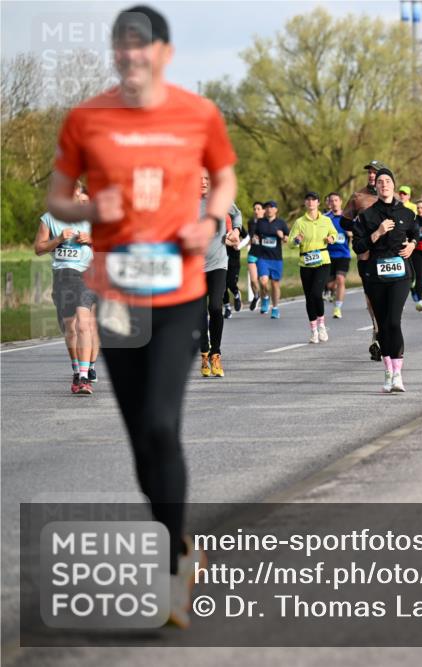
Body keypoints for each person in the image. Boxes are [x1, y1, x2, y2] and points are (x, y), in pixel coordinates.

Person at [46, 4, 237, 628]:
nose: (130, 56)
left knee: (160, 421)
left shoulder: (197, 114)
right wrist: (86, 210)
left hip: (178, 291)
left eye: (141, 46)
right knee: (140, 439)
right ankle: (179, 542)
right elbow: (57, 197)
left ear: (164, 54)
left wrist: (210, 220)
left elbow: (224, 179)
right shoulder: (86, 118)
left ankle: (171, 569)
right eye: (121, 47)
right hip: (117, 295)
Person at [352, 168, 417, 392]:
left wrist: (412, 245)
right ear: (376, 187)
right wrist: (377, 233)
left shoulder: (406, 212)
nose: (384, 185)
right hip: (376, 276)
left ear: (393, 185)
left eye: (388, 181)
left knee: (394, 322)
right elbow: (358, 246)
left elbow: (416, 233)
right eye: (380, 182)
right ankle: (388, 371)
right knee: (382, 325)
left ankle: (398, 374)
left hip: (400, 274)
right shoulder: (367, 215)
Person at [35, 184, 99, 394]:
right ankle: (77, 370)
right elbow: (39, 248)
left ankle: (84, 377)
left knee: (84, 324)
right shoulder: (48, 219)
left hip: (86, 276)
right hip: (62, 277)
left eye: (75, 192)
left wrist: (91, 240)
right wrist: (59, 239)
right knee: (70, 328)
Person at [198, 170, 242, 378]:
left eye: (206, 178)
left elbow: (236, 214)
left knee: (215, 307)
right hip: (194, 266)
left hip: (218, 263)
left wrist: (236, 231)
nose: (203, 182)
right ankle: (204, 353)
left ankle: (216, 354)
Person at [343, 160, 388, 361]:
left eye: (375, 172)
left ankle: (386, 331)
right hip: (366, 254)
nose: (371, 175)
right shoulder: (358, 197)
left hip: (388, 255)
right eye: (369, 172)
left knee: (388, 296)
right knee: (371, 297)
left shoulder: (392, 196)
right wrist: (360, 230)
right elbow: (344, 221)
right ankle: (378, 333)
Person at [289, 191, 336, 343]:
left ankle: (321, 325)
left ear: (318, 203)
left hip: (323, 261)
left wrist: (331, 238)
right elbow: (290, 243)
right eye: (308, 200)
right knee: (309, 297)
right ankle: (314, 331)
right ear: (305, 203)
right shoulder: (299, 222)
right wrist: (297, 240)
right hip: (306, 263)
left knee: (316, 293)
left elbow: (334, 234)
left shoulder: (326, 220)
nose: (310, 202)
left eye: (313, 200)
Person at [254, 200, 288, 318]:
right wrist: (255, 238)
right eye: (267, 207)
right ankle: (265, 297)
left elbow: (287, 239)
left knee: (275, 284)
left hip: (276, 259)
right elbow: (255, 235)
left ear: (276, 209)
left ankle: (275, 308)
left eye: (271, 207)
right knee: (263, 281)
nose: (269, 209)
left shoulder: (281, 223)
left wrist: (282, 236)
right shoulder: (260, 222)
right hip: (263, 257)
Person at [322, 192, 351, 318]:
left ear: (340, 202)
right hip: (328, 255)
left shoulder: (347, 217)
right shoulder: (325, 218)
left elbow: (356, 232)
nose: (334, 203)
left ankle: (337, 308)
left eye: (336, 200)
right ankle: (330, 290)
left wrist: (351, 233)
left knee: (340, 279)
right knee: (329, 284)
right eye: (331, 201)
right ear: (329, 203)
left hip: (343, 255)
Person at [246, 201, 264, 310]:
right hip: (253, 253)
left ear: (263, 210)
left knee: (263, 280)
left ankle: (265, 298)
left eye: (258, 209)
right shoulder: (251, 222)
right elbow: (249, 236)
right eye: (254, 209)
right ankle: (256, 296)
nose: (256, 211)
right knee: (253, 280)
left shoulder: (267, 222)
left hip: (264, 255)